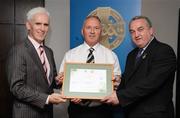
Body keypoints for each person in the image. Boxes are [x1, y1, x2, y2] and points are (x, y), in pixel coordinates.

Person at [102, 15, 177, 118]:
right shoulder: (131, 55)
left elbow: (151, 82)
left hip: (154, 114)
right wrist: (112, 87)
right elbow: (128, 81)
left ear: (151, 31)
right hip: (132, 113)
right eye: (132, 31)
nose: (136, 34)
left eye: (140, 29)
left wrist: (119, 96)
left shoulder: (164, 51)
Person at [6, 7, 66, 118]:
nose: (42, 29)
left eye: (46, 25)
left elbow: (48, 82)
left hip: (46, 113)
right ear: (28, 25)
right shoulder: (18, 51)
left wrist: (58, 80)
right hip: (27, 113)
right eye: (38, 24)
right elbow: (17, 88)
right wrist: (47, 98)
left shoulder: (48, 52)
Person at [57, 15, 121, 118]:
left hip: (103, 111)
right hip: (77, 110)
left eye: (96, 28)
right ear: (82, 31)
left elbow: (117, 84)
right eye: (88, 28)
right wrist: (61, 81)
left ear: (101, 32)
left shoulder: (111, 56)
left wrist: (116, 82)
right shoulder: (70, 55)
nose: (92, 31)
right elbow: (62, 83)